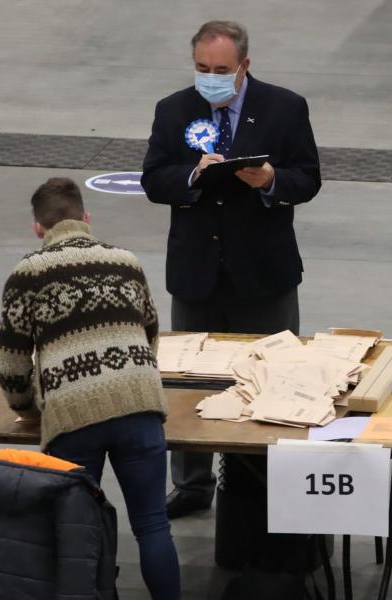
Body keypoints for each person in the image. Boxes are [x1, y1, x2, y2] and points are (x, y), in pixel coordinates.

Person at [141, 20, 321, 518]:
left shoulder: (285, 108)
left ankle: (260, 479)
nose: (211, 77)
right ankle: (193, 483)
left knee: (273, 378)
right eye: (202, 68)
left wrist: (269, 180)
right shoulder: (173, 110)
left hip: (264, 276)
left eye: (221, 69)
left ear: (244, 66)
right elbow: (154, 179)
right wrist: (194, 175)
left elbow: (307, 178)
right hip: (197, 274)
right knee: (190, 383)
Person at [0, 177, 180, 600]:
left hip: (73, 415)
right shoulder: (126, 261)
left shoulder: (27, 273)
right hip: (140, 404)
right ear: (87, 219)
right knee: (153, 525)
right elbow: (150, 332)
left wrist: (27, 408)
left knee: (79, 532)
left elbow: (11, 361)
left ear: (37, 228)